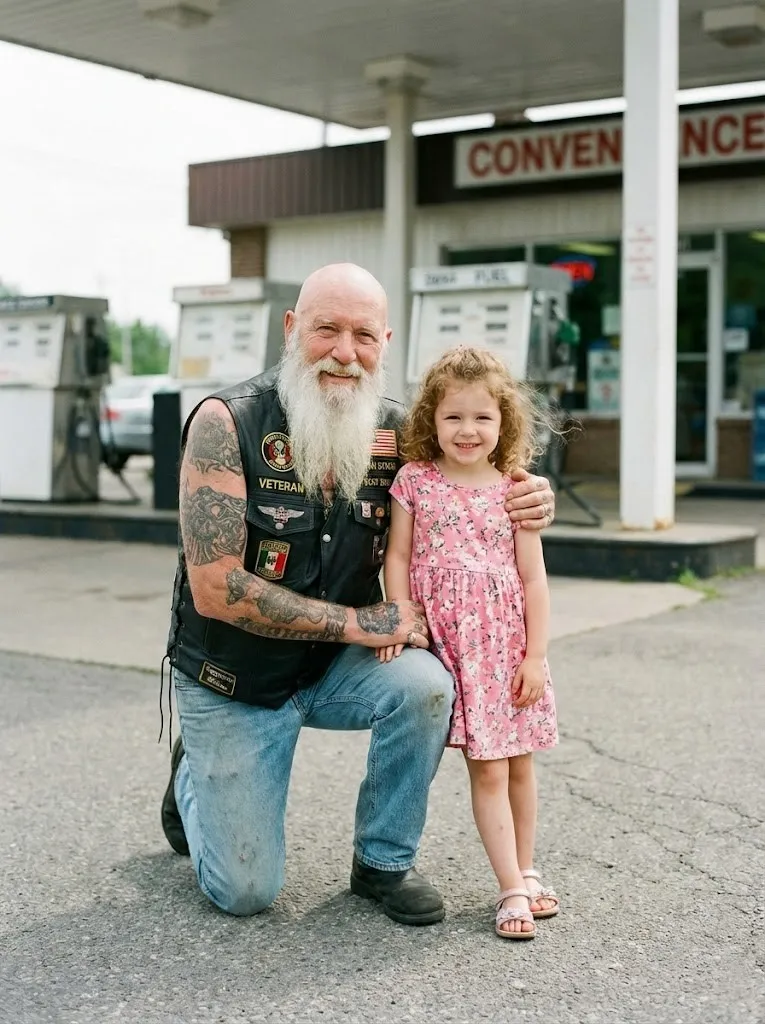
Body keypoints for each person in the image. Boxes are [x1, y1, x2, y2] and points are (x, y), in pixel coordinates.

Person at [160, 263, 557, 925]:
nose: (345, 353)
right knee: (246, 892)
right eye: (327, 330)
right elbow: (215, 588)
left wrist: (532, 495)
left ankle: (382, 862)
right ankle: (192, 777)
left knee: (428, 685)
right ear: (291, 330)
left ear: (384, 343)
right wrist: (362, 621)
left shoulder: (400, 433)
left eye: (363, 336)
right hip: (235, 675)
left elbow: (478, 469)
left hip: (331, 666)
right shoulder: (225, 422)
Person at [380, 346, 560, 940]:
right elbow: (399, 556)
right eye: (453, 417)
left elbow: (533, 578)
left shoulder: (514, 488)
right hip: (452, 645)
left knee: (519, 767)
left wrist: (535, 656)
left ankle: (527, 870)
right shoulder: (416, 481)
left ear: (503, 421)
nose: (467, 430)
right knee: (487, 770)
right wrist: (401, 621)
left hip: (506, 648)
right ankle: (509, 888)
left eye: (482, 417)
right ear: (431, 419)